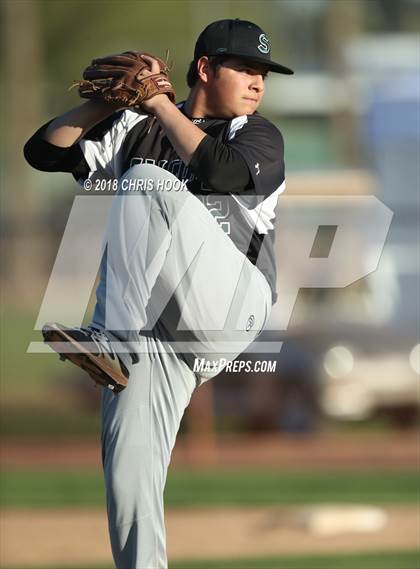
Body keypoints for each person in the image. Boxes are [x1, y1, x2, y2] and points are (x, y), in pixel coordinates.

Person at [24, 18, 293, 569]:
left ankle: (113, 340)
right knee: (128, 485)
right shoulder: (134, 129)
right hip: (156, 336)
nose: (257, 81)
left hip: (230, 304)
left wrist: (162, 105)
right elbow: (44, 153)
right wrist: (105, 106)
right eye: (245, 67)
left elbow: (220, 173)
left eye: (262, 72)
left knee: (147, 179)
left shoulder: (256, 133)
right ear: (205, 69)